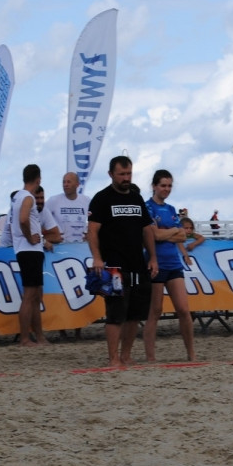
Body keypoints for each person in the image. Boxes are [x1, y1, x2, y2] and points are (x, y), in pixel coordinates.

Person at [87, 155, 158, 368]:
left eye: (129, 174)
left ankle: (126, 355)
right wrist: (97, 258)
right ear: (111, 174)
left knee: (135, 314)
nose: (126, 178)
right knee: (116, 313)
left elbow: (147, 230)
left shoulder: (137, 199)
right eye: (122, 174)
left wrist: (153, 257)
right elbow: (92, 231)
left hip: (138, 265)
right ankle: (113, 358)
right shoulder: (101, 199)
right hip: (114, 266)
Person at [142, 169, 195, 362]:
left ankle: (191, 354)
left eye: (169, 186)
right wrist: (172, 231)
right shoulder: (148, 207)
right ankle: (150, 357)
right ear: (154, 186)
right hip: (156, 263)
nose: (166, 189)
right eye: (163, 185)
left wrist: (168, 232)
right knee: (155, 311)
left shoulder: (171, 209)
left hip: (173, 263)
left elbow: (183, 235)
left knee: (183, 309)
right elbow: (154, 235)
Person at [10, 164, 50, 347]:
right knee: (30, 295)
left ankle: (39, 336)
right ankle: (25, 338)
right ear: (38, 179)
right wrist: (30, 237)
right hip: (29, 250)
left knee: (34, 295)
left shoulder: (18, 196)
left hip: (26, 250)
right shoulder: (27, 198)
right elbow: (23, 219)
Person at [45, 171, 91, 243]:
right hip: (60, 246)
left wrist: (89, 232)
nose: (65, 185)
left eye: (69, 182)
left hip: (81, 246)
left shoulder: (86, 200)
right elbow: (40, 218)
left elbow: (96, 219)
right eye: (64, 182)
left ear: (77, 184)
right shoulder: (53, 200)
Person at [32, 186, 62, 252]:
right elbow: (25, 236)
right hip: (10, 249)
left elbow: (57, 237)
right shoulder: (24, 210)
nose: (40, 201)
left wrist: (42, 240)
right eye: (36, 198)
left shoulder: (44, 211)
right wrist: (43, 242)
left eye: (42, 198)